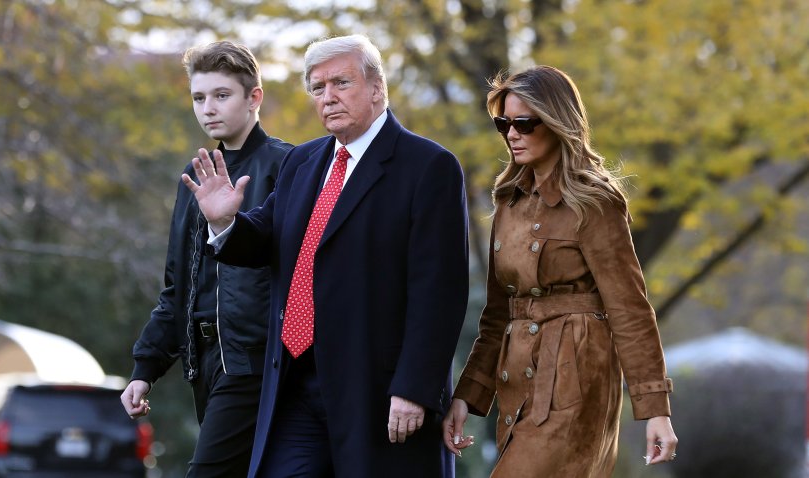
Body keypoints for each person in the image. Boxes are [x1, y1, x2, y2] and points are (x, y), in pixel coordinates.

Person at [182, 34, 469, 478]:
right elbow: (263, 238)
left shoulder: (428, 166)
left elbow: (440, 292)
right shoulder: (304, 161)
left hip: (378, 389)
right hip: (296, 384)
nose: (328, 97)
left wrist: (415, 387)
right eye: (318, 88)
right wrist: (224, 223)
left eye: (341, 83)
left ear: (377, 88)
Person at [442, 66, 678, 477]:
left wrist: (655, 409)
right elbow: (497, 316)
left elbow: (630, 309)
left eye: (524, 123)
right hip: (517, 381)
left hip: (576, 379)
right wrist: (466, 397)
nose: (512, 134)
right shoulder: (508, 203)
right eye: (504, 124)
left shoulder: (595, 201)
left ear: (556, 122)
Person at [120, 40, 292, 477]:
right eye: (199, 97)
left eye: (222, 95)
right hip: (206, 363)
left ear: (254, 97)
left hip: (256, 362)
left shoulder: (287, 166)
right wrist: (146, 368)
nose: (208, 108)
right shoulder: (192, 178)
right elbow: (178, 286)